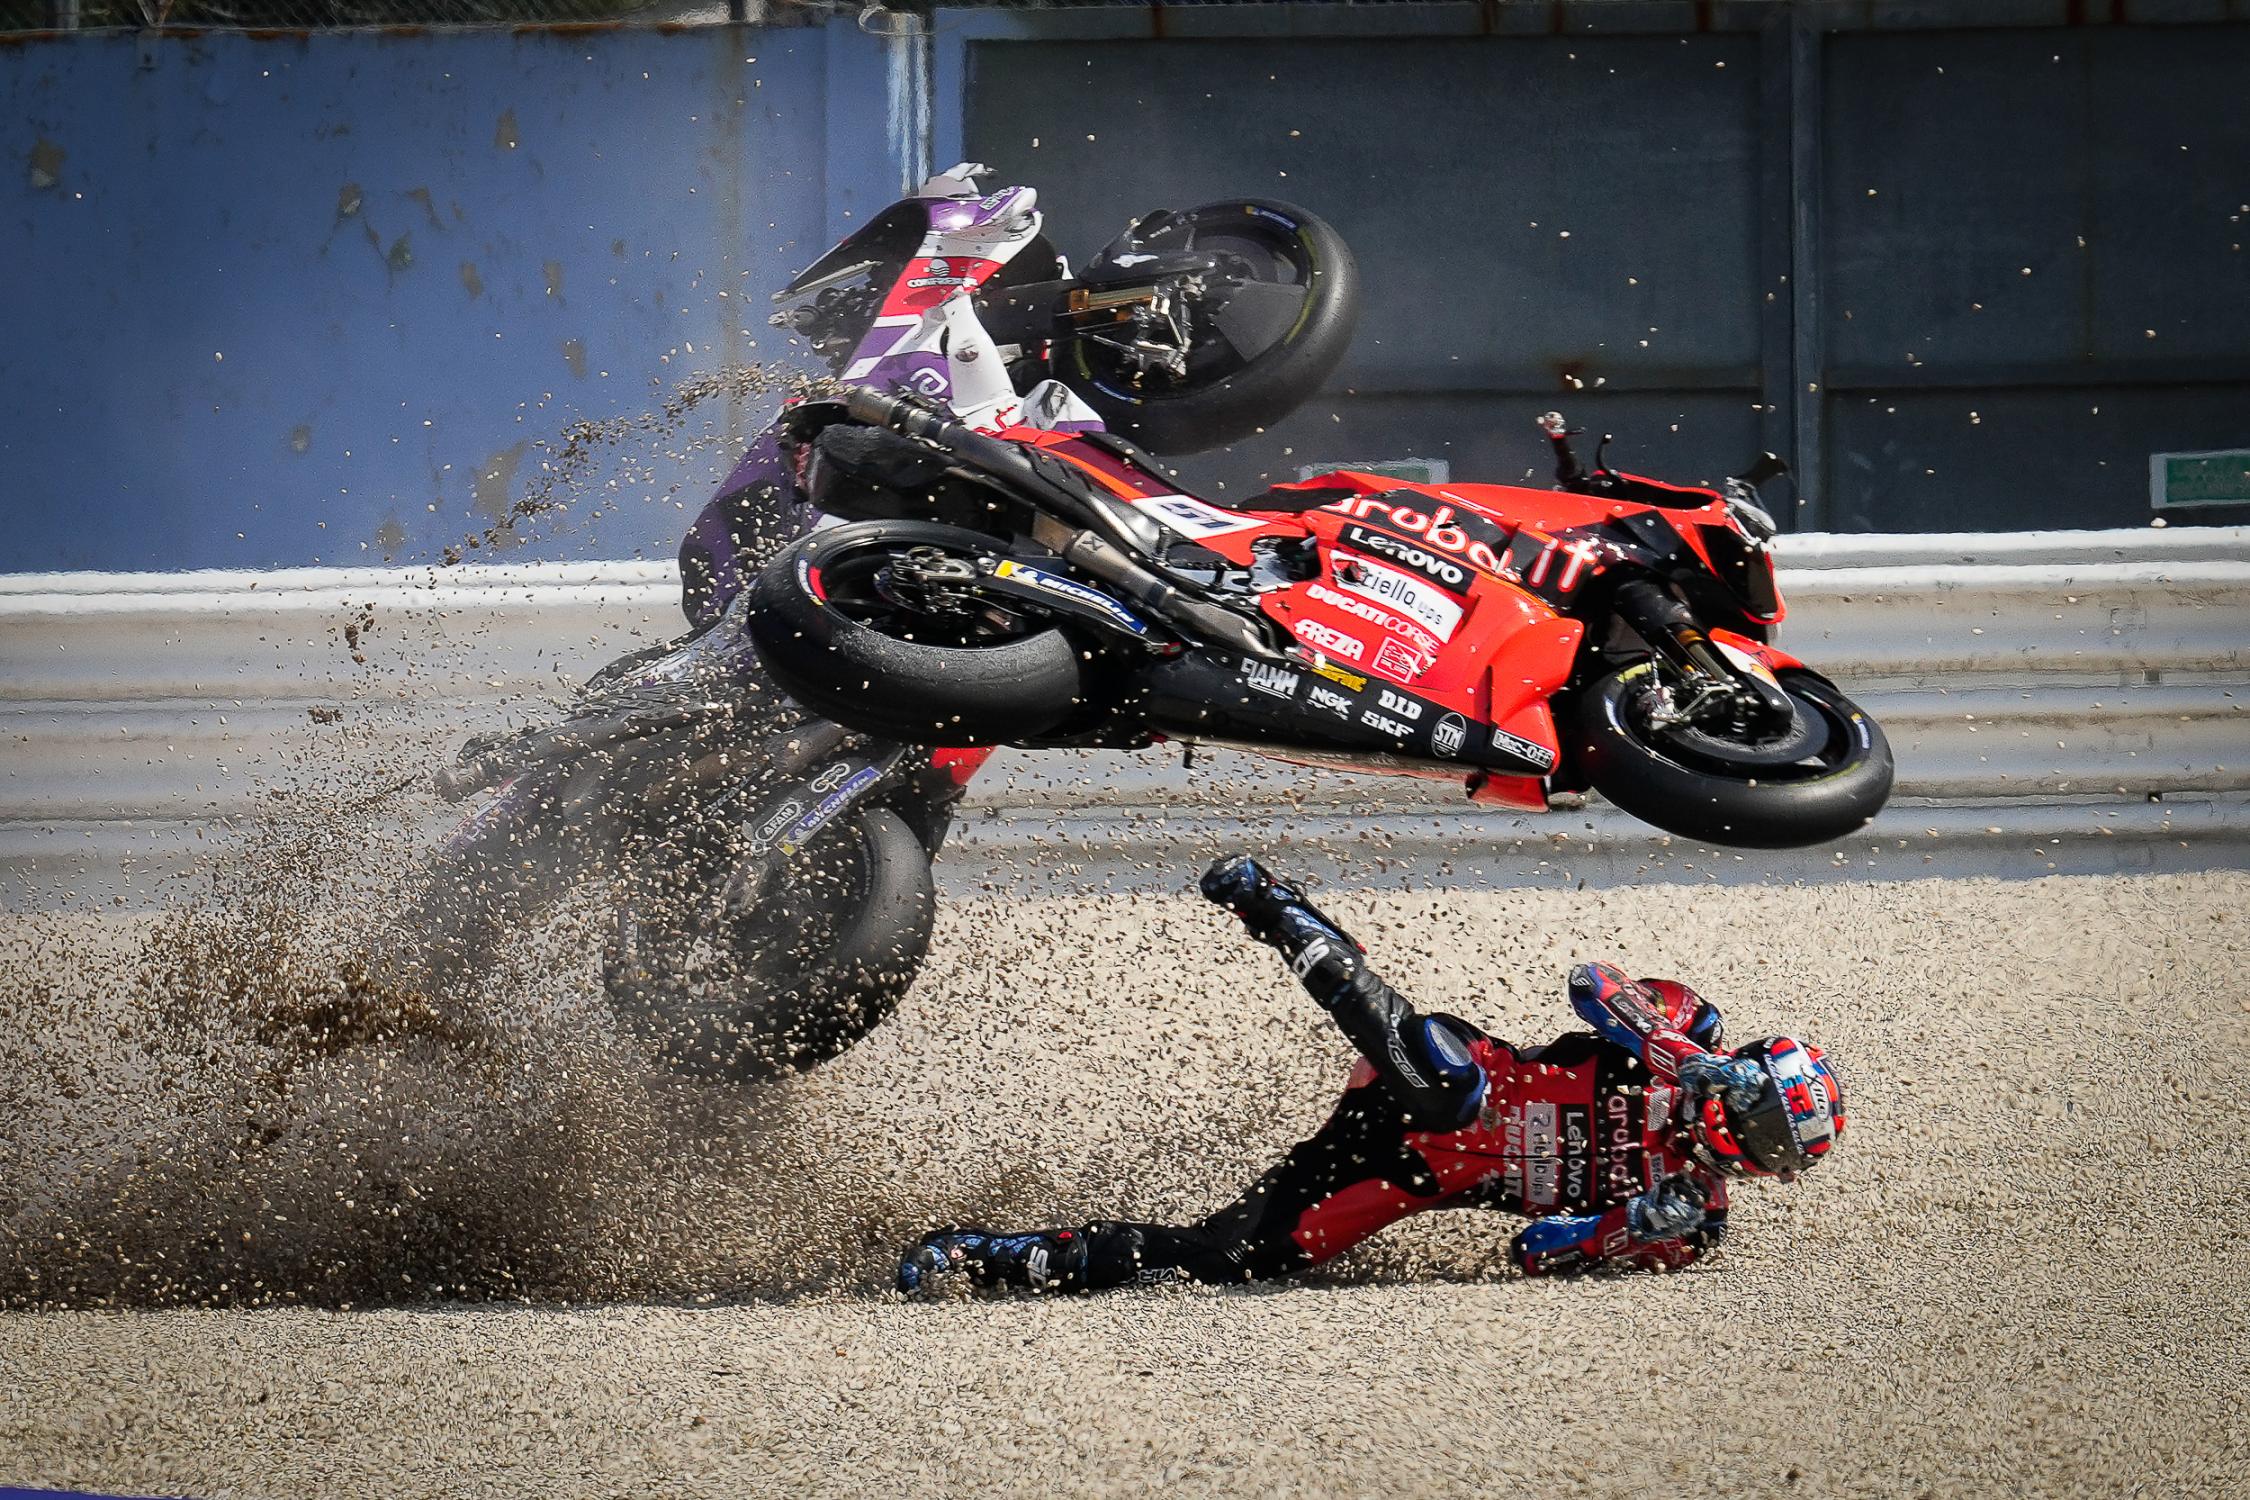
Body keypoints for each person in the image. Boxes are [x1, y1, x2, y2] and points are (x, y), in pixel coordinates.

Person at [898, 854, 1845, 1295]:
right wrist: (1681, 1057)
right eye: (1762, 1119)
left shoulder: (1692, 1225)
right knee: (1452, 1091)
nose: (1750, 1144)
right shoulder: (1688, 1028)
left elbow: (1532, 1253)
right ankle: (1279, 910)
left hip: (1410, 1176)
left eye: (1771, 1151)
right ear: (1749, 1075)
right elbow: (1591, 983)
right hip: (1447, 1070)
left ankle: (989, 1258)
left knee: (1237, 1260)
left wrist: (1623, 1227)